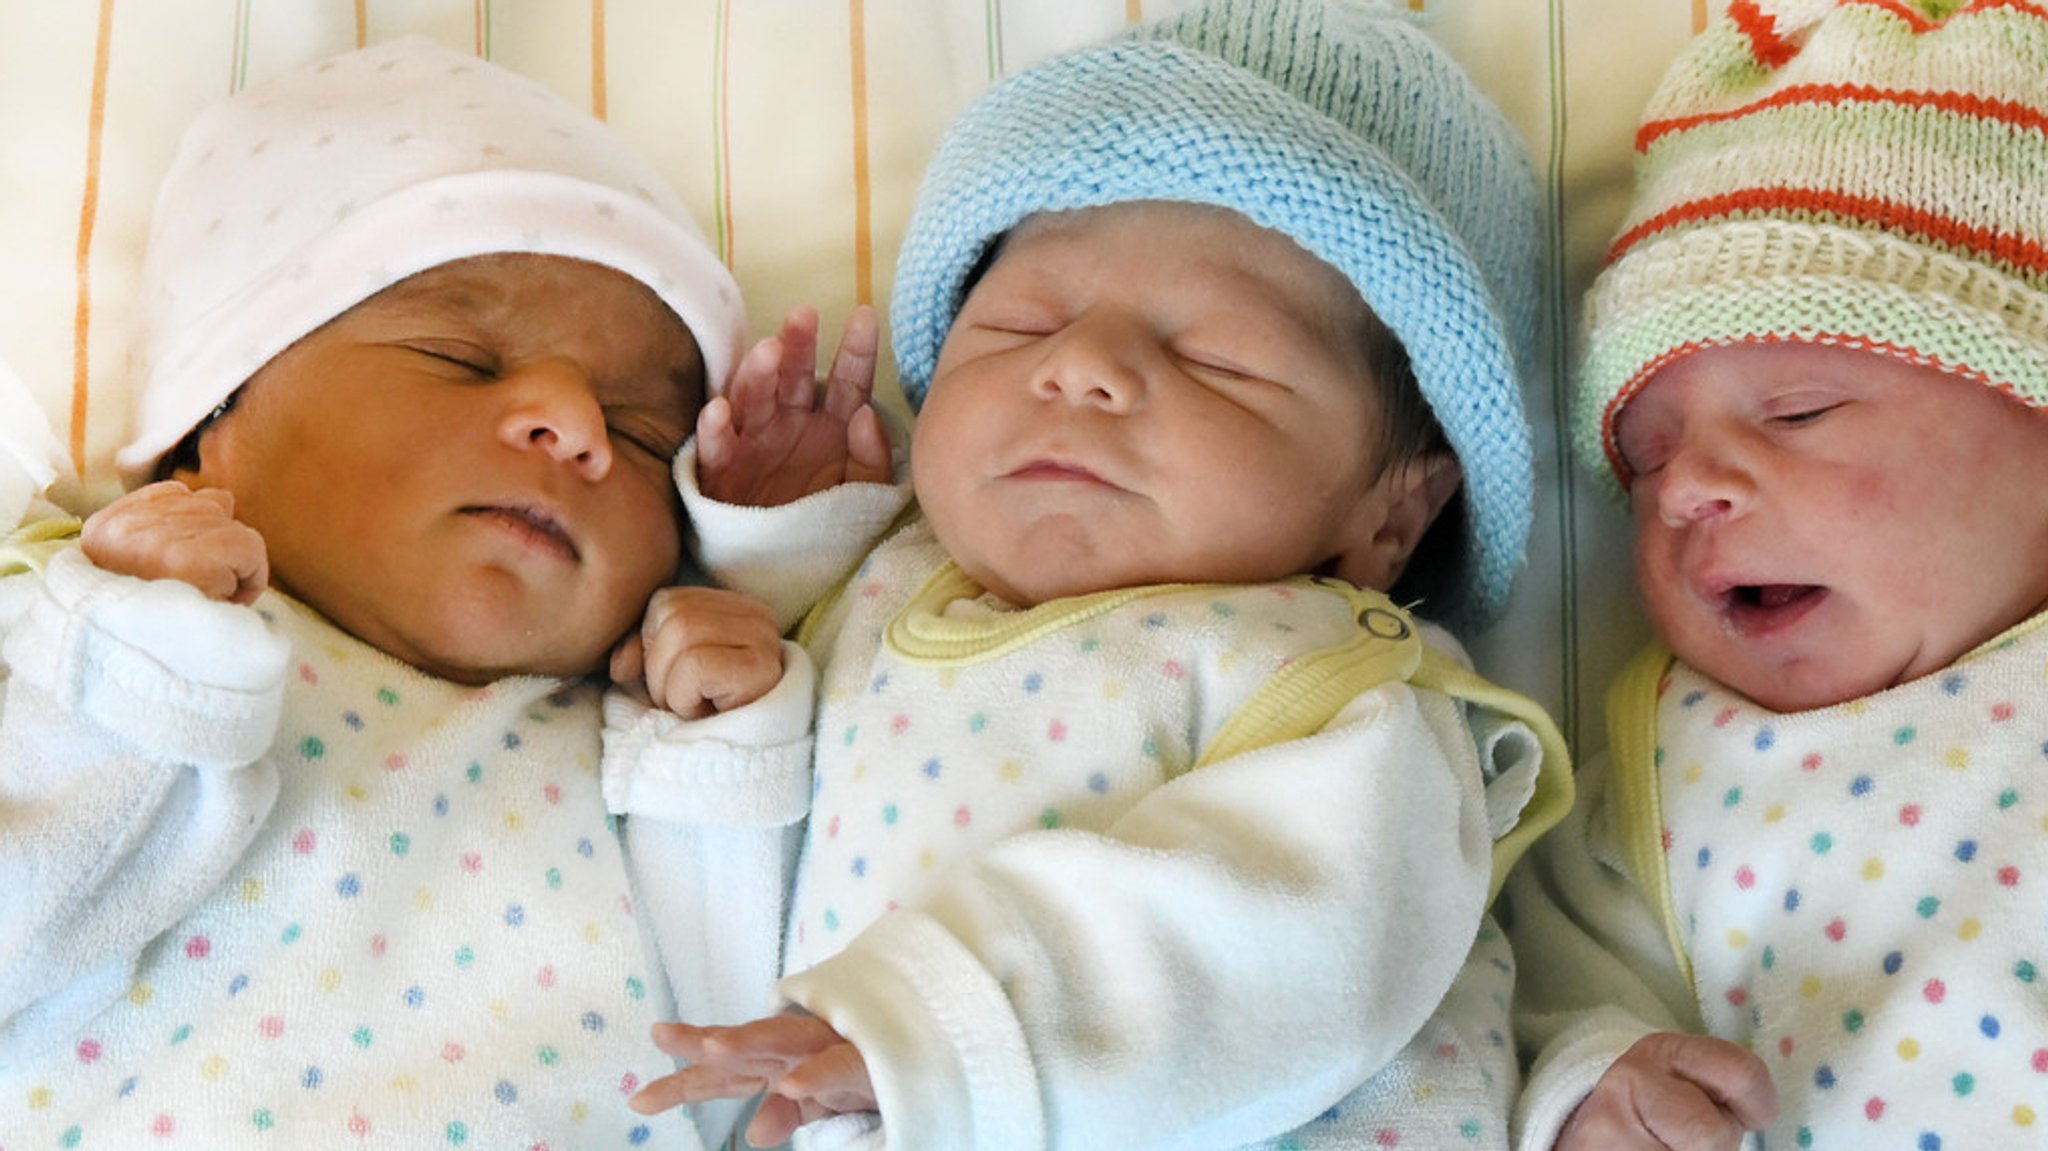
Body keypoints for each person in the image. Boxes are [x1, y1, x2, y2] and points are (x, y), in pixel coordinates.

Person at [629, 1, 1574, 1146]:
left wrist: (935, 1028)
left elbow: (1293, 928)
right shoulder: (879, 600)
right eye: (1020, 325)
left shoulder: (1337, 686)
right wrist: (757, 623)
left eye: (1216, 358)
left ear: (1390, 514)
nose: (1080, 366)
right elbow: (729, 908)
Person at [0, 37, 814, 1150]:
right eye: (459, 357)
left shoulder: (631, 747)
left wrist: (722, 765)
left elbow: (736, 1073)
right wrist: (129, 668)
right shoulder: (76, 628)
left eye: (639, 434)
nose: (575, 430)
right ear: (211, 423)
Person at [1503, 1, 2048, 1148]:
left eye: (1798, 411)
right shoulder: (1670, 767)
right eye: (1642, 459)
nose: (1687, 488)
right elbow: (1546, 996)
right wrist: (1599, 1088)